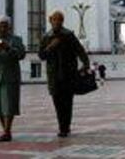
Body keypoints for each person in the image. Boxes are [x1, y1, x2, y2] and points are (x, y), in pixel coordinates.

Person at [38, 10, 90, 138]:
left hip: (68, 74)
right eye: (55, 19)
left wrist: (85, 63)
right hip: (54, 75)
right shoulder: (46, 37)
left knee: (67, 102)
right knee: (57, 101)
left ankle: (65, 127)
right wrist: (50, 47)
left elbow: (80, 50)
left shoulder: (68, 35)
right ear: (50, 21)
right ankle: (62, 125)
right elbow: (41, 56)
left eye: (60, 19)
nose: (57, 22)